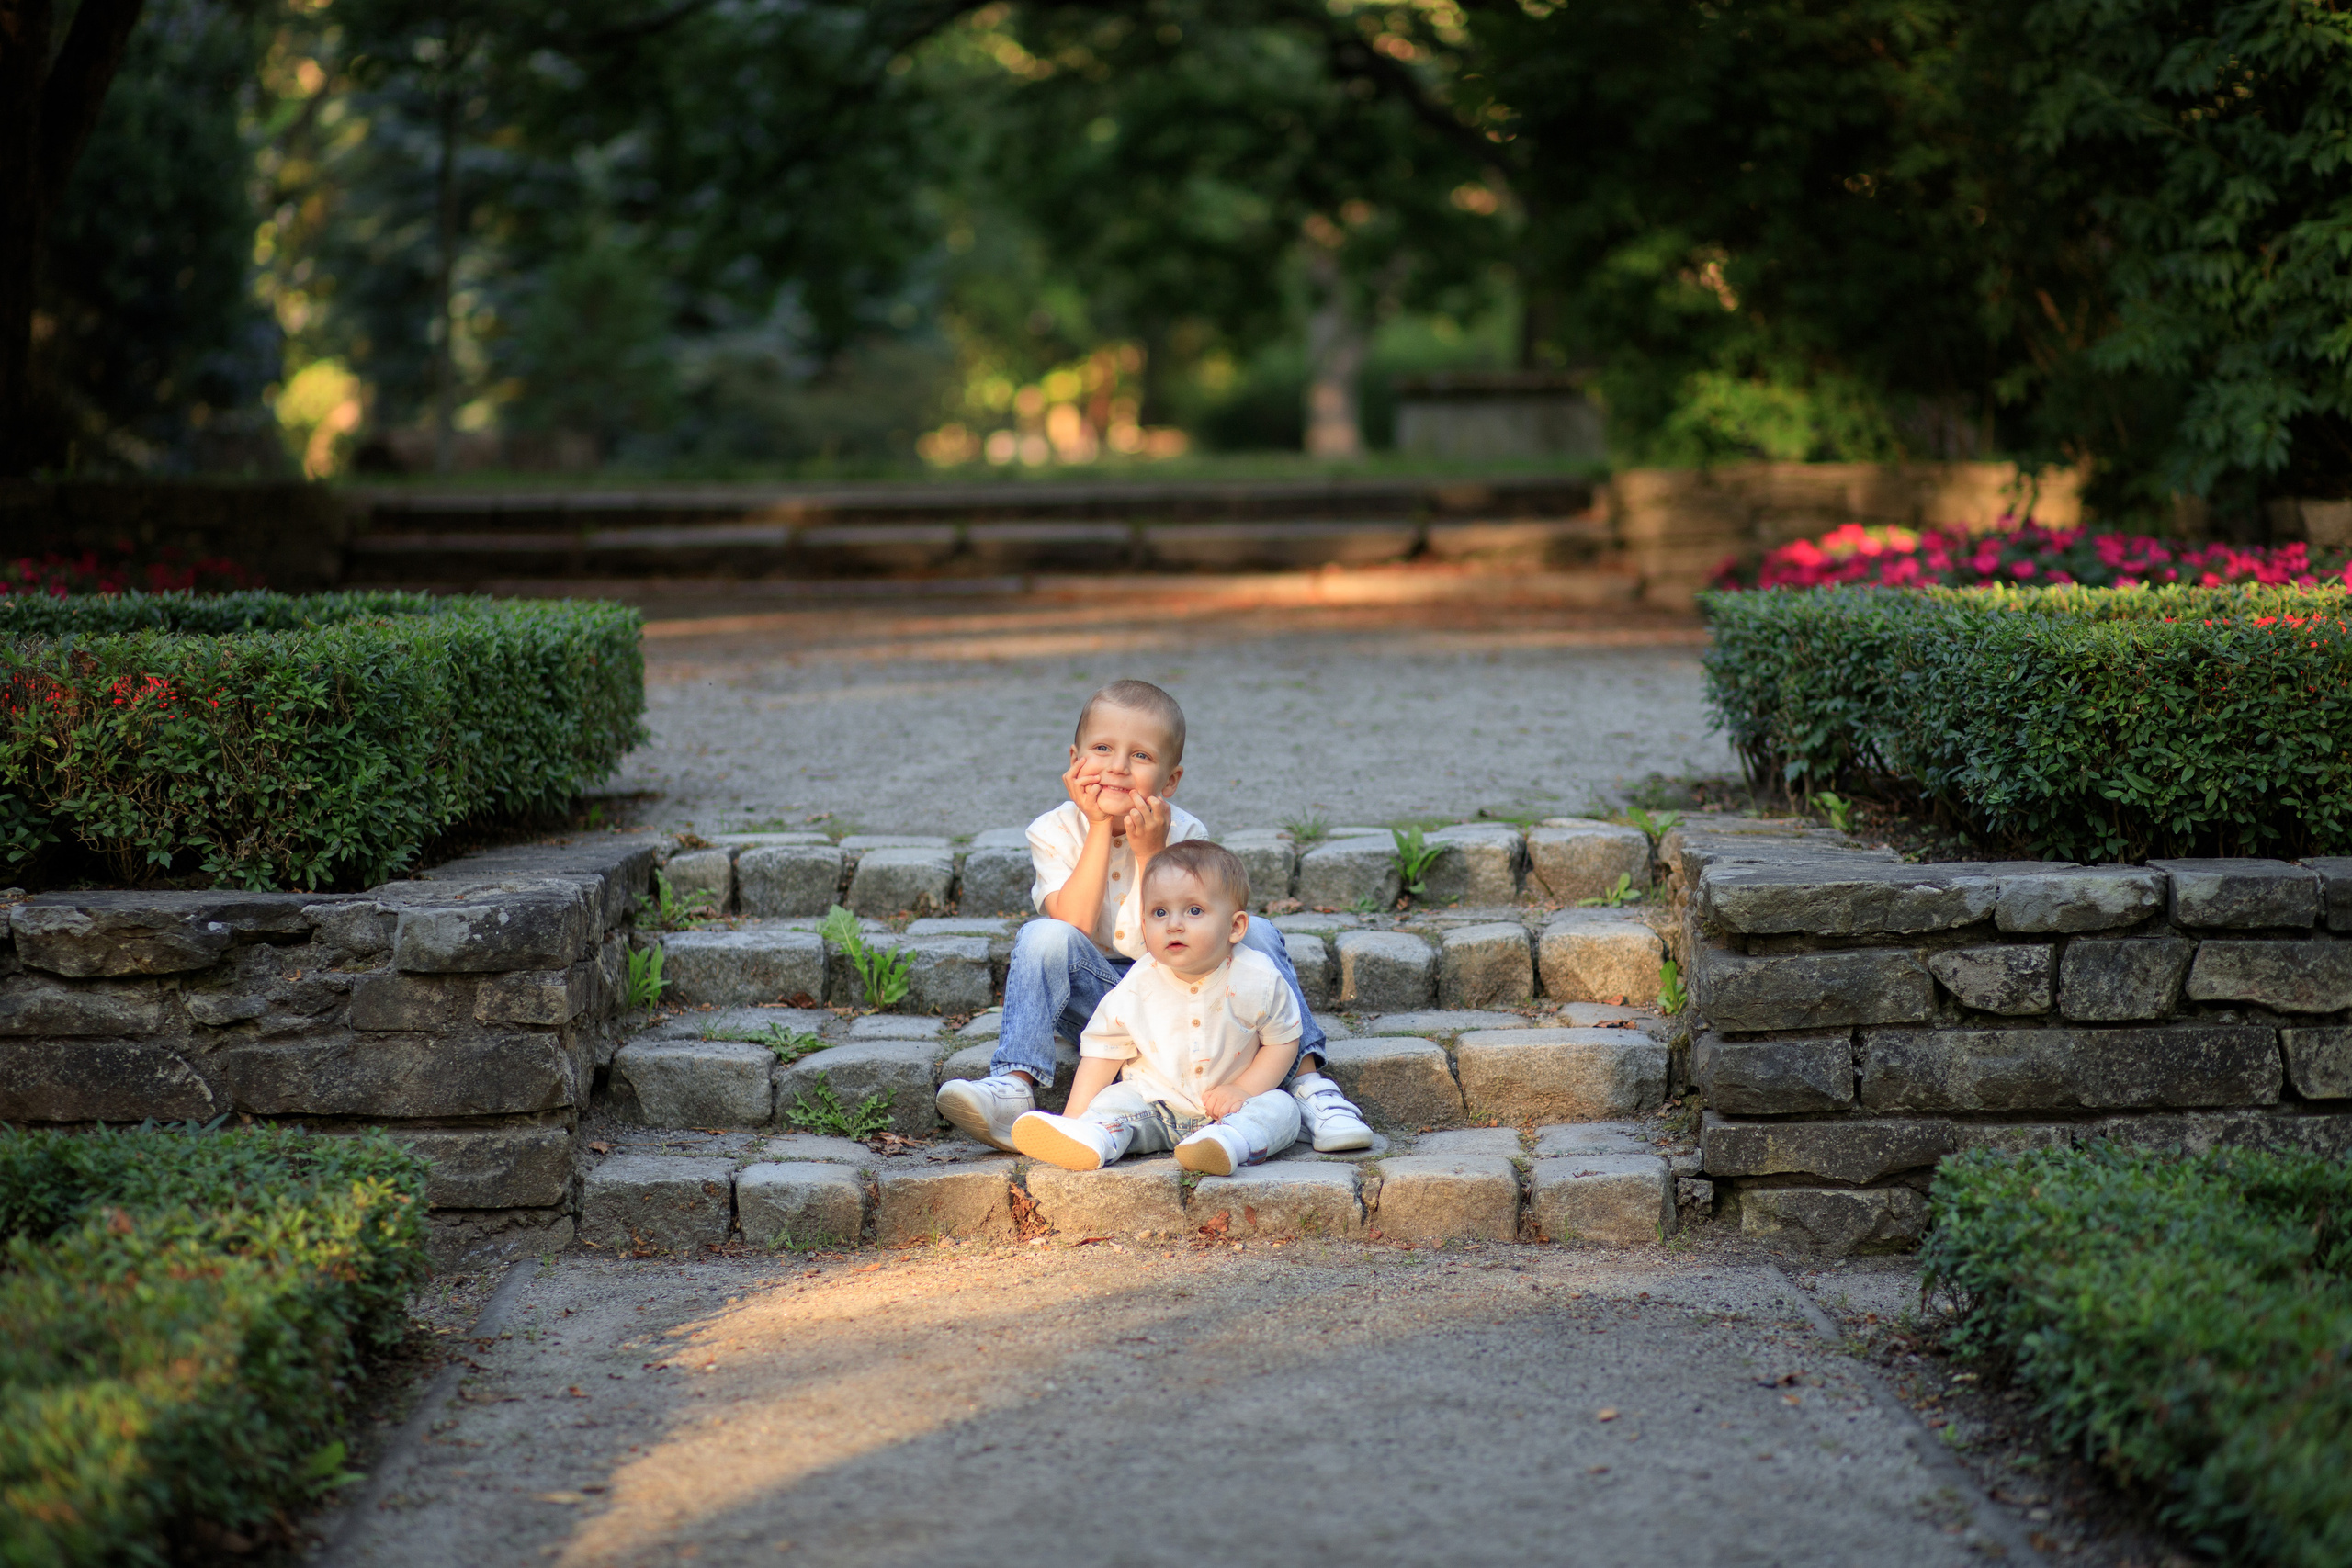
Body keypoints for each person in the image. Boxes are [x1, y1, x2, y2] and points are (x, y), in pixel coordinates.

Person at [934, 678, 1372, 1153]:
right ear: (1074, 758)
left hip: (1194, 998)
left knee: (1257, 932)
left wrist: (1151, 854)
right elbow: (1073, 926)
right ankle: (1014, 1086)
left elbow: (1176, 942)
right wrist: (1100, 826)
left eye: (1140, 756)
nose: (1118, 768)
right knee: (1043, 936)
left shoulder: (1183, 832)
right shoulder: (1054, 831)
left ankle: (1309, 1087)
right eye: (1102, 748)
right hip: (1100, 1003)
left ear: (1169, 780)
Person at [1011, 840, 1300, 1174]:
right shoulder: (1138, 983)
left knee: (1283, 1109)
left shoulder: (1258, 977)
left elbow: (1283, 1040)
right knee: (1114, 1102)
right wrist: (1075, 1114)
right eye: (1159, 913)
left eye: (1194, 911)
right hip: (1153, 1107)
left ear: (1235, 927)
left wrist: (1243, 1089)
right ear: (1144, 926)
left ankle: (1227, 1143)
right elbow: (1104, 1050)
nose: (1173, 924)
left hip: (1234, 1108)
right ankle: (1092, 1135)